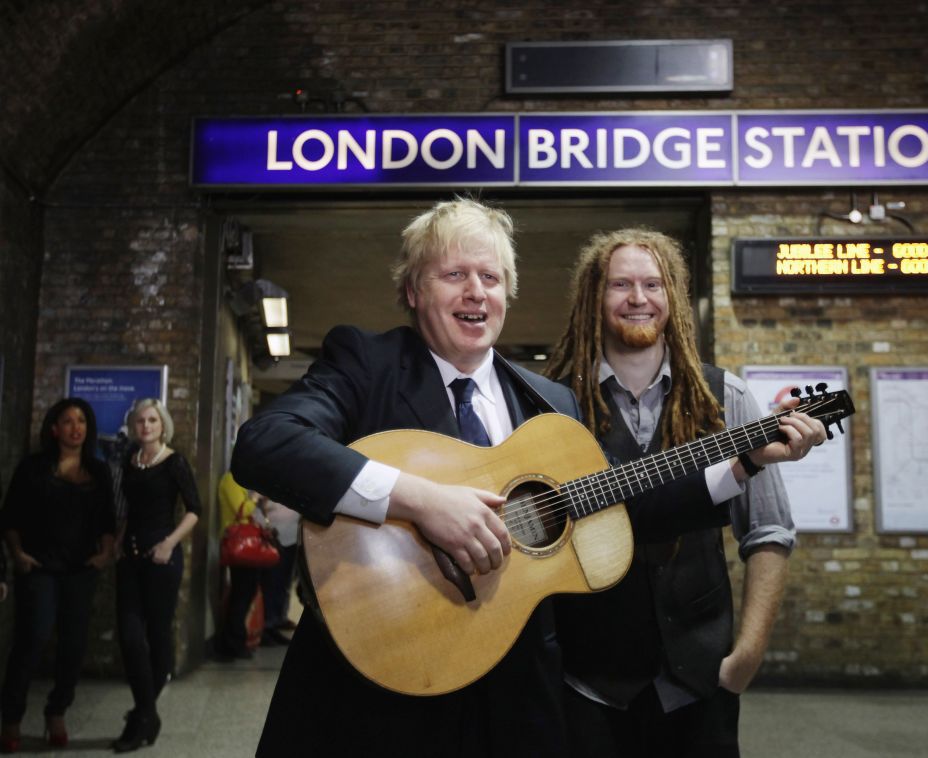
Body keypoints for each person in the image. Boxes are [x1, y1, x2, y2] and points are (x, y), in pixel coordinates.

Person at [231, 197, 585, 758]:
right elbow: (266, 443)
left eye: (491, 277)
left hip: (515, 694)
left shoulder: (550, 403)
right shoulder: (364, 364)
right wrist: (418, 500)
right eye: (454, 274)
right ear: (415, 292)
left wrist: (736, 467)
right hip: (378, 682)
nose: (476, 291)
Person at [545, 228, 826, 757]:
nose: (637, 299)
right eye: (620, 284)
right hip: (586, 683)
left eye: (653, 284)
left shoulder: (726, 396)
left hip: (700, 681)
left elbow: (768, 532)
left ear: (673, 297)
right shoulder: (552, 402)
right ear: (592, 297)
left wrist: (747, 656)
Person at [0, 398, 116, 753]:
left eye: (81, 421)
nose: (75, 427)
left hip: (80, 570)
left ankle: (57, 711)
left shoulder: (97, 473)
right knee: (32, 639)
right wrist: (17, 554)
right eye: (67, 421)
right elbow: (11, 517)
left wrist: (105, 553)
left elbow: (107, 521)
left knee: (74, 645)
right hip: (38, 567)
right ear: (54, 428)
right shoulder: (34, 468)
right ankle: (12, 717)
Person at [112, 398, 200, 753]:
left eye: (151, 420)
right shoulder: (130, 462)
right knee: (131, 637)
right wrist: (117, 541)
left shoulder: (174, 462)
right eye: (139, 421)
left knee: (158, 634)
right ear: (133, 427)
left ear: (162, 425)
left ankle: (141, 716)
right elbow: (125, 509)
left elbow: (195, 509)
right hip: (130, 558)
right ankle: (147, 713)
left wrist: (169, 544)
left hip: (162, 558)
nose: (145, 426)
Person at [215, 470, 264, 659]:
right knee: (241, 593)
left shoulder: (240, 480)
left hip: (246, 544)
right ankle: (232, 642)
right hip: (239, 544)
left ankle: (236, 639)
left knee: (246, 591)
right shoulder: (231, 480)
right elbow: (241, 510)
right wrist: (256, 498)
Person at [259, 497, 299, 645]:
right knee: (272, 583)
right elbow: (257, 506)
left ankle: (277, 621)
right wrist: (266, 528)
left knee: (284, 583)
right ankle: (268, 625)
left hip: (292, 536)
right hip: (274, 537)